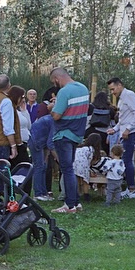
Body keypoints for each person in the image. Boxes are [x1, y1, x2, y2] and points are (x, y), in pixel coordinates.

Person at [49, 67, 90, 215]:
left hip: (64, 134)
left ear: (57, 79)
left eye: (54, 83)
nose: (56, 85)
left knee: (67, 170)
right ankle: (76, 202)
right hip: (77, 134)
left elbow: (56, 116)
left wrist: (52, 107)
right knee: (70, 168)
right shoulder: (84, 88)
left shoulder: (64, 91)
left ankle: (70, 204)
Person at [107, 78, 135, 198]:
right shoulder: (122, 99)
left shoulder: (129, 95)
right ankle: (129, 187)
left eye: (113, 89)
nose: (112, 92)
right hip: (125, 132)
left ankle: (131, 190)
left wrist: (128, 129)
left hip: (130, 133)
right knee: (126, 160)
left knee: (127, 160)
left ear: (120, 85)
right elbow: (123, 119)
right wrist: (115, 129)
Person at [8, 85, 31, 164]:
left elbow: (28, 125)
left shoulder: (19, 111)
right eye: (22, 97)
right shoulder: (10, 110)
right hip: (17, 144)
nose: (23, 99)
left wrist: (24, 110)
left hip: (24, 142)